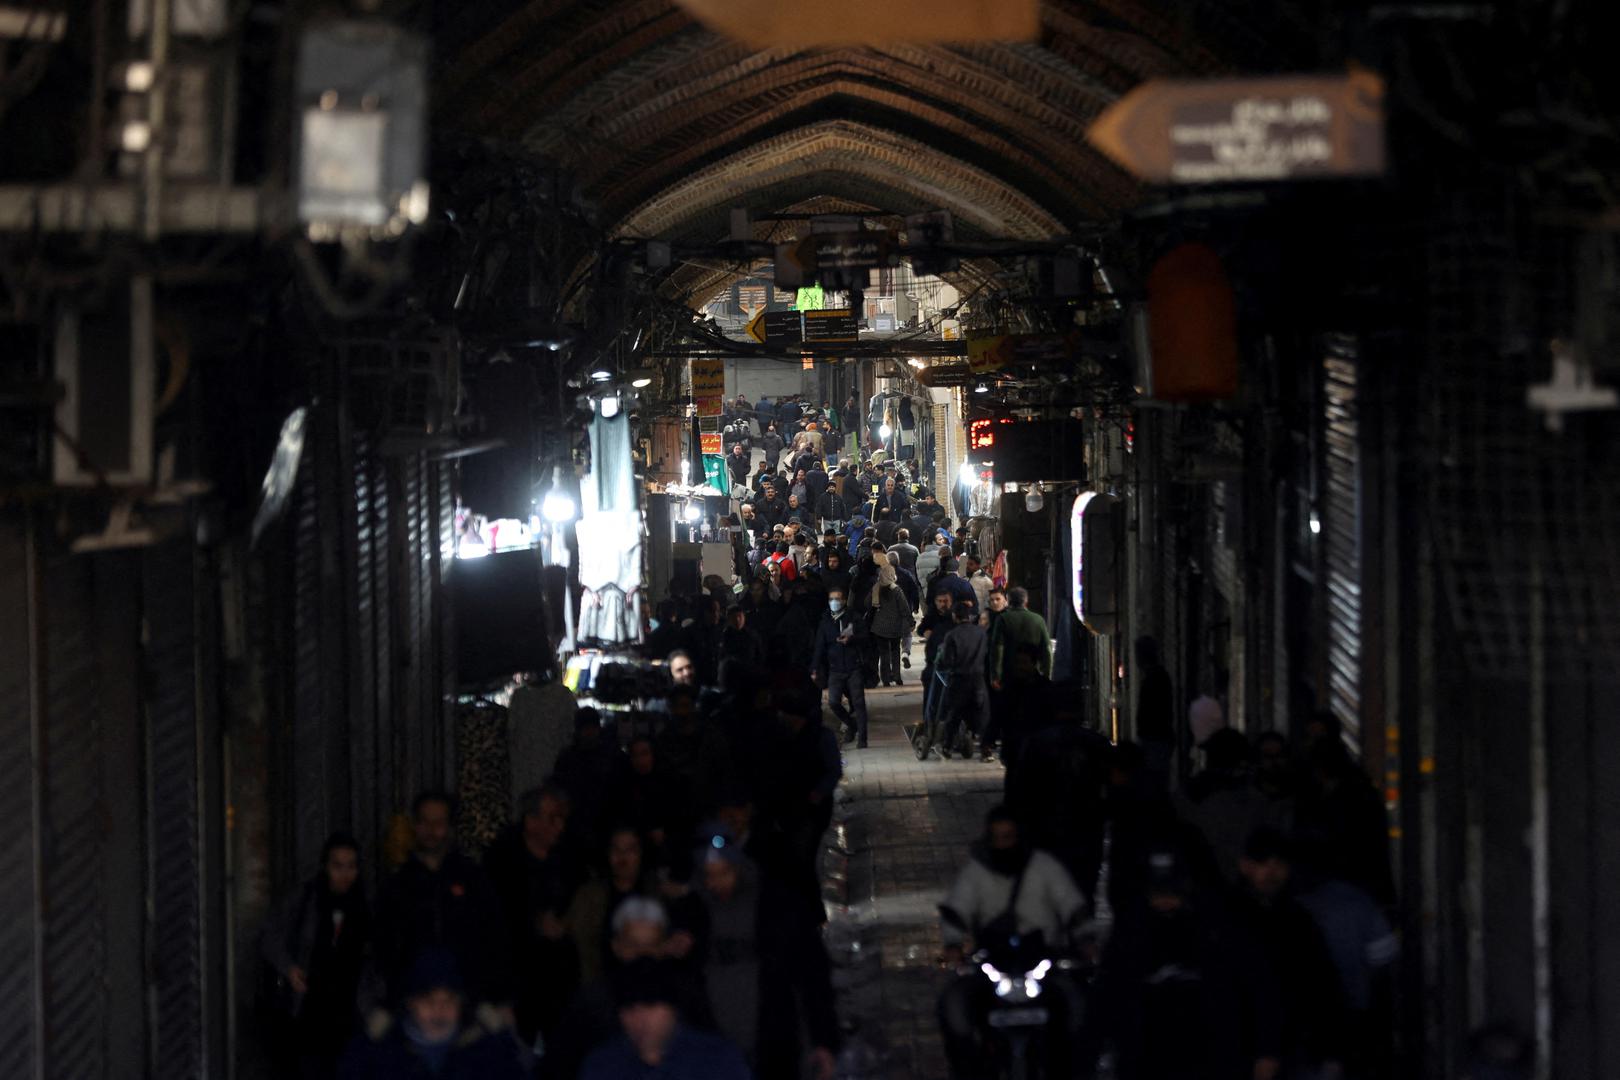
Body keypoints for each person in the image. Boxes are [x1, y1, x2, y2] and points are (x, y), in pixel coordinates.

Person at [1094, 847, 1284, 1080]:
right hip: (1146, 1058)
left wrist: (1267, 1051)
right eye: (1158, 891)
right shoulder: (1131, 932)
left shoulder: (1220, 928)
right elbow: (1105, 996)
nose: (1165, 900)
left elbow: (1259, 988)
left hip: (1210, 1056)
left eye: (1172, 891)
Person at [938, 806, 1088, 1080]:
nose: (1003, 843)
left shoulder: (1044, 867)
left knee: (1079, 1009)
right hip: (993, 960)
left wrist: (1085, 939)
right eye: (997, 837)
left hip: (1042, 958)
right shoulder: (977, 871)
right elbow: (958, 908)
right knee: (953, 1006)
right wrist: (953, 944)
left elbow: (1071, 903)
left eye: (1008, 836)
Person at [1232, 827, 1348, 1079]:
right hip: (1242, 1052)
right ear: (1245, 866)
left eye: (1279, 865)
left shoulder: (1299, 921)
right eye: (1263, 864)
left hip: (1297, 1049)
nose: (1272, 872)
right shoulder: (1227, 920)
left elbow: (1324, 984)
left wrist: (1331, 1050)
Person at [376, 793, 508, 1010]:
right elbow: (385, 945)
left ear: (450, 827)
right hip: (412, 1000)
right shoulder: (398, 884)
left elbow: (493, 937)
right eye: (425, 822)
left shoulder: (472, 878)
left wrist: (494, 994)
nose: (431, 830)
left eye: (438, 823)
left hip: (467, 997)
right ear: (415, 825)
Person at [260, 833, 375, 1080]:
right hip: (310, 1011)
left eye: (351, 866)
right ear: (325, 866)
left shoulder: (365, 906)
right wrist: (289, 969)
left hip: (350, 1011)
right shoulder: (306, 899)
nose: (344, 874)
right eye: (337, 866)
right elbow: (270, 934)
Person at [483, 784, 583, 1047]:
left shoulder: (569, 857)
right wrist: (532, 924)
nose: (559, 826)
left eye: (561, 818)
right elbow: (494, 920)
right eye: (552, 819)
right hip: (518, 975)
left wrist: (567, 924)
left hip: (560, 976)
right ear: (531, 821)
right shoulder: (502, 861)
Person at [338, 949, 526, 1080]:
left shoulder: (485, 1053)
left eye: (449, 1000)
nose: (439, 1010)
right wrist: (368, 1040)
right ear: (411, 1003)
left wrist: (500, 1034)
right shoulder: (383, 1055)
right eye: (428, 1001)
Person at [580, 959, 750, 1080]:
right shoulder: (603, 1064)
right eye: (630, 1009)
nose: (639, 1019)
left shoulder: (717, 1059)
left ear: (673, 1010)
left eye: (650, 1006)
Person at [565, 827, 662, 988]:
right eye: (616, 849)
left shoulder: (656, 894)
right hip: (599, 984)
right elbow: (579, 941)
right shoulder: (589, 896)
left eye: (630, 850)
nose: (622, 857)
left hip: (648, 985)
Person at [988, 587, 1052, 770]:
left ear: (1008, 601)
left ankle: (1009, 754)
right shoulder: (1038, 620)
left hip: (1010, 676)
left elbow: (997, 648)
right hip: (1033, 675)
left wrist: (995, 674)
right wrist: (1046, 674)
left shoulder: (1003, 619)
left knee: (1010, 716)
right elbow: (1047, 650)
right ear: (1026, 601)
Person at [812, 586, 871, 748]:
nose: (834, 602)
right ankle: (852, 725)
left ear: (844, 601)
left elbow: (865, 637)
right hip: (835, 669)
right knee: (833, 702)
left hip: (854, 667)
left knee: (858, 702)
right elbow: (819, 647)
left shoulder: (853, 618)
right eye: (831, 599)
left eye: (837, 599)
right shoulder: (825, 622)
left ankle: (863, 739)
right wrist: (814, 668)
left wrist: (851, 639)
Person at [934, 604, 989, 759]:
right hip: (978, 679)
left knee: (954, 715)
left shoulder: (952, 635)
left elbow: (947, 660)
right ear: (969, 616)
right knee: (981, 714)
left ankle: (947, 748)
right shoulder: (981, 633)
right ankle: (986, 750)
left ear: (954, 616)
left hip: (958, 681)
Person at [869, 553, 913, 687]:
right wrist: (910, 621)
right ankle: (897, 676)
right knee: (895, 651)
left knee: (884, 653)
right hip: (895, 625)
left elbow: (867, 603)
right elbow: (905, 608)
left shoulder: (876, 588)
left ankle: (886, 678)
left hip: (879, 626)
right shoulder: (897, 590)